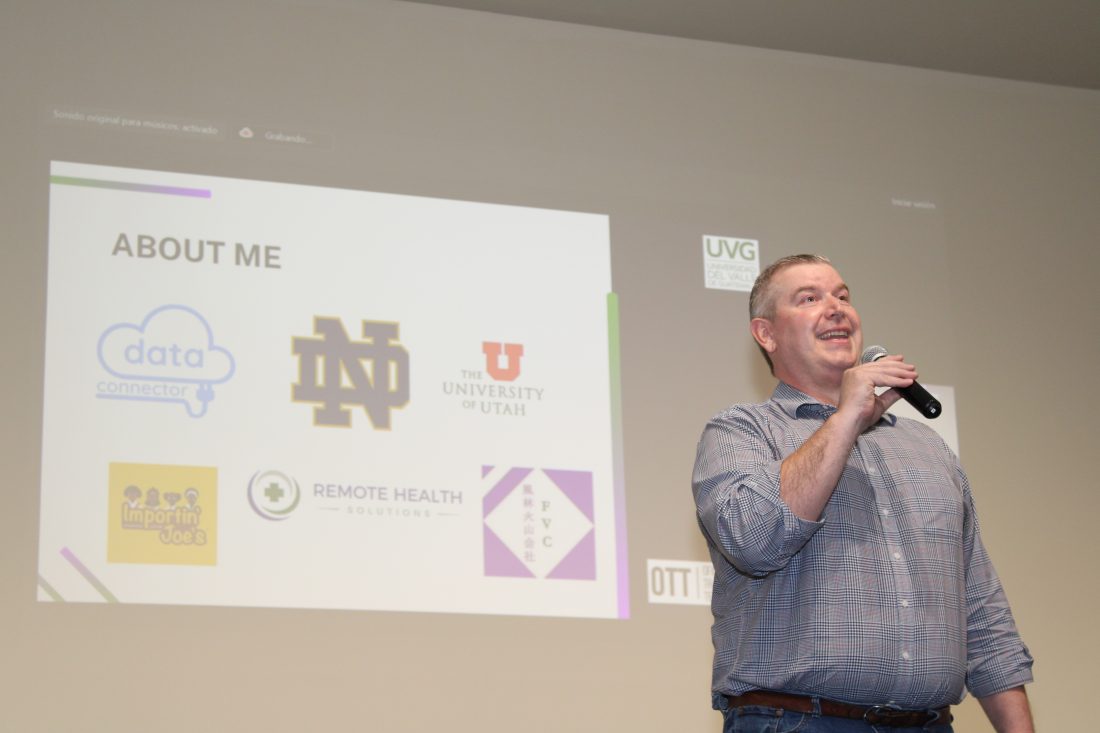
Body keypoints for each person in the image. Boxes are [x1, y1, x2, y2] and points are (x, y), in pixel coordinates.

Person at [692, 255, 1034, 732]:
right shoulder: (740, 432)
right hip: (796, 720)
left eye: (843, 296)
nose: (835, 308)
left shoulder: (927, 448)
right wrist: (847, 416)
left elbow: (980, 608)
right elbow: (755, 539)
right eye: (809, 299)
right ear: (766, 334)